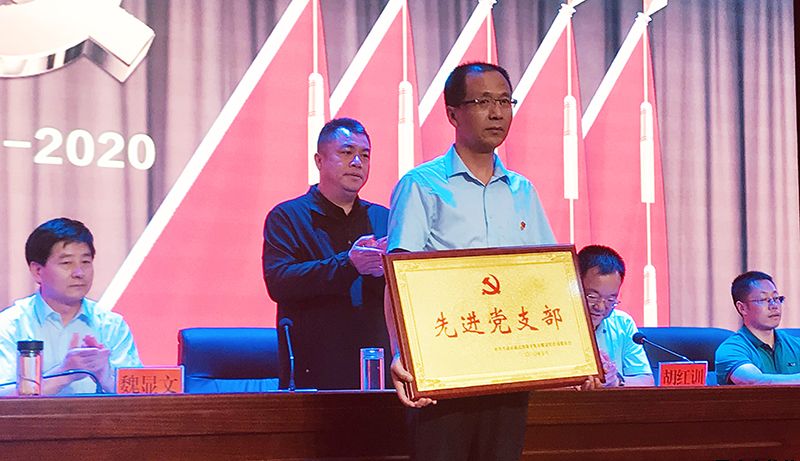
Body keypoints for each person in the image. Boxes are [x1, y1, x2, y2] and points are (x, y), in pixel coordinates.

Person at [385, 62, 556, 461]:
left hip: (511, 368)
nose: (497, 113)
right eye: (482, 102)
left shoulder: (523, 191)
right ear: (452, 114)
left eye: (505, 101)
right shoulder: (421, 185)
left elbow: (548, 276)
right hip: (444, 370)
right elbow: (398, 280)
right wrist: (400, 352)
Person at [262, 117, 391, 390]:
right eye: (346, 152)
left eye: (365, 155)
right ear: (319, 161)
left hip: (378, 366)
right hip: (316, 370)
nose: (357, 162)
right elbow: (279, 282)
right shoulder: (287, 217)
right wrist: (348, 264)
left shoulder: (385, 219)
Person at [0, 218, 141, 395]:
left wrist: (105, 378)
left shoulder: (111, 326)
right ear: (37, 271)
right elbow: (3, 398)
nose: (79, 273)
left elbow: (139, 397)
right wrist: (65, 373)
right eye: (67, 263)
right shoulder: (10, 326)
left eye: (86, 262)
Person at [577, 245, 654, 387]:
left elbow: (647, 381)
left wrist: (617, 381)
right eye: (592, 296)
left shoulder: (622, 323)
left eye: (610, 299)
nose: (600, 307)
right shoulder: (554, 324)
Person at [715, 271, 800, 385]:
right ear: (742, 308)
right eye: (763, 299)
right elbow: (754, 381)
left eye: (776, 298)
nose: (774, 306)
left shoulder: (795, 344)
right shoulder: (730, 349)